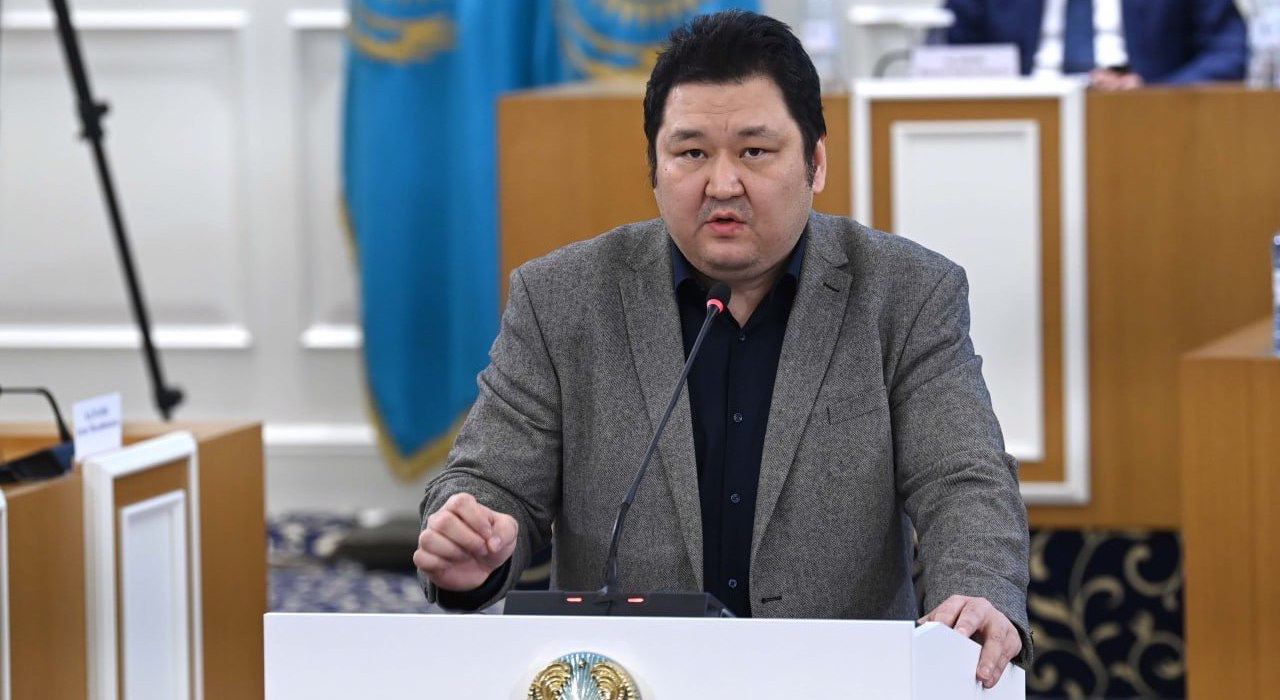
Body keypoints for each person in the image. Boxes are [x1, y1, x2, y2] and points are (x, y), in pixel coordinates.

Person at [415, 10, 1031, 688]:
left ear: (816, 162)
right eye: (691, 154)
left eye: (755, 152)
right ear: (654, 169)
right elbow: (491, 482)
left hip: (836, 683)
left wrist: (977, 587)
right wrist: (472, 541)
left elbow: (962, 477)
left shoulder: (906, 293)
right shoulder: (562, 298)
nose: (722, 184)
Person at [944, 0, 1248, 89]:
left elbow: (1229, 51)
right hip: (1021, 121)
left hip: (1147, 122)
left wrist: (1156, 93)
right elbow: (951, 52)